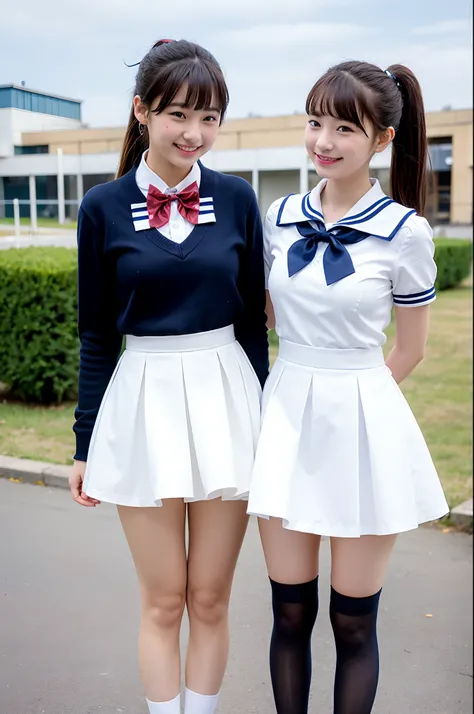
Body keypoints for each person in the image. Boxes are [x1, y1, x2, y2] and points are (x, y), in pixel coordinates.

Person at [69, 39, 268, 714]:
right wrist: (84, 442)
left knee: (210, 597)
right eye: (180, 114)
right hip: (143, 399)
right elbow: (96, 332)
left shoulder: (238, 200)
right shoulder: (101, 207)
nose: (195, 133)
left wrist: (267, 420)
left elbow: (252, 326)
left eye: (210, 116)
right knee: (164, 599)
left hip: (226, 395)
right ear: (141, 113)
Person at [247, 60, 449, 714]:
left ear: (383, 140)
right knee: (288, 615)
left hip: (363, 424)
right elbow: (266, 315)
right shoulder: (278, 218)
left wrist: (360, 405)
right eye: (314, 123)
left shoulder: (407, 233)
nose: (322, 142)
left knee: (353, 621)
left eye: (343, 128)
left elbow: (411, 349)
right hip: (284, 422)